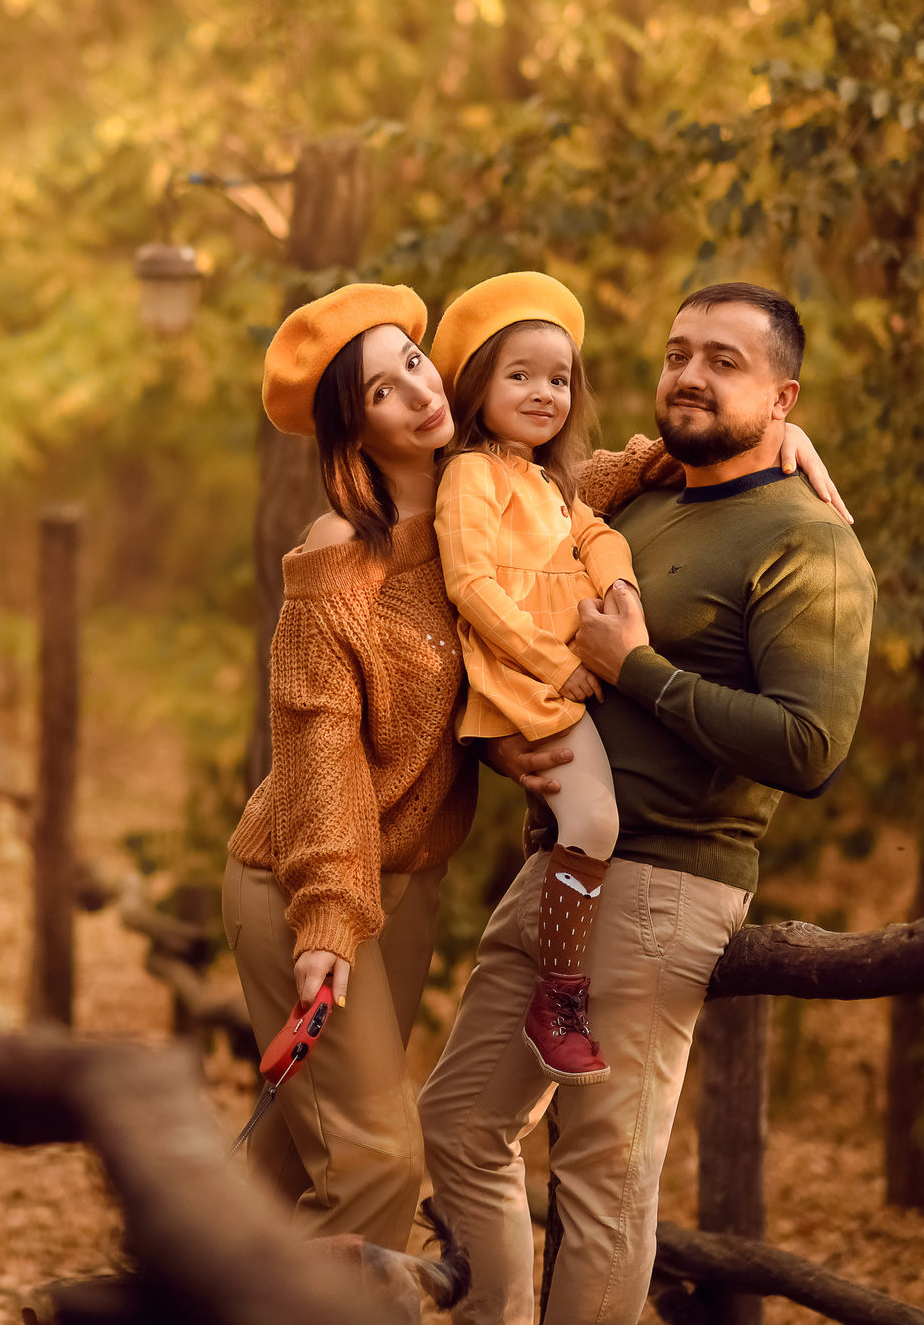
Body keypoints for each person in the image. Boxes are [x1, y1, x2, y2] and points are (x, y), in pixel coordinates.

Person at [418, 281, 876, 1325]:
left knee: (602, 1182)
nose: (690, 375)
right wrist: (510, 754)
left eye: (724, 360)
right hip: (561, 862)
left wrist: (636, 668)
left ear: (783, 394)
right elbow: (513, 609)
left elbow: (809, 747)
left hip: (668, 885)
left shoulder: (808, 543)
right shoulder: (640, 499)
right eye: (678, 353)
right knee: (456, 1123)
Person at [222, 282, 672, 1249]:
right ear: (353, 426)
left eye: (415, 363)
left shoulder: (485, 483)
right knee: (380, 1161)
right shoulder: (340, 558)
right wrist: (330, 915)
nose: (420, 393)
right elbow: (320, 746)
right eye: (384, 390)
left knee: (297, 1167)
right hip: (305, 880)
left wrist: (760, 440)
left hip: (408, 881)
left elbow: (582, 494)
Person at [425, 273, 636, 1088]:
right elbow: (472, 588)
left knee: (578, 819)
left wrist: (622, 588)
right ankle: (560, 995)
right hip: (523, 680)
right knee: (593, 815)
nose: (543, 393)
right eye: (520, 375)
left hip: (563, 673)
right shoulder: (471, 477)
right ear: (478, 386)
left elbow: (596, 531)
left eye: (558, 378)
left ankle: (554, 968)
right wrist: (557, 666)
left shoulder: (551, 482)